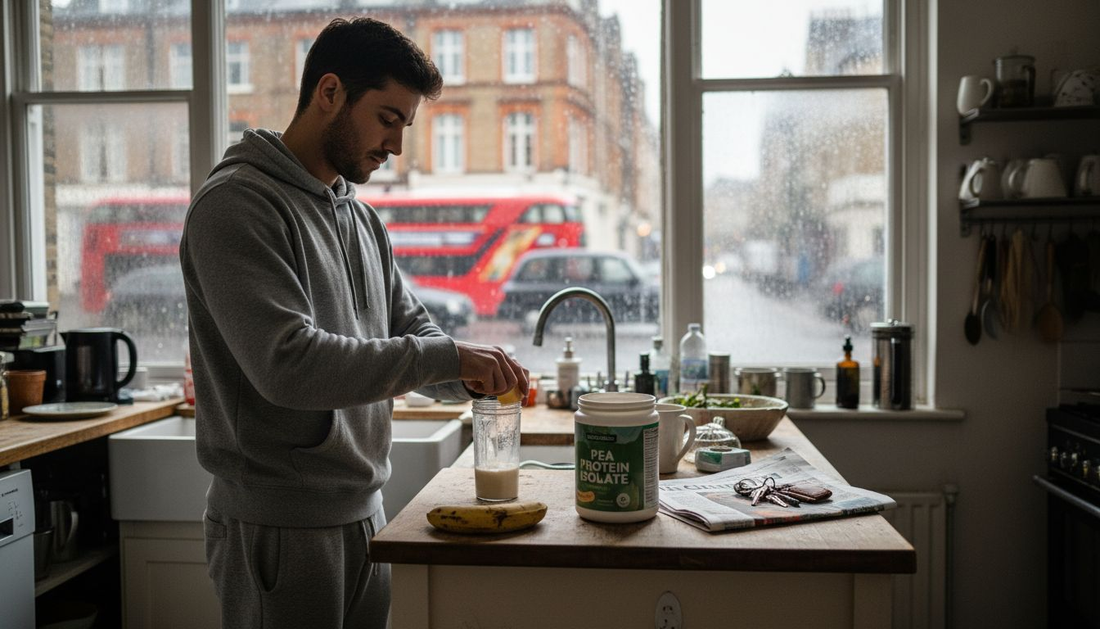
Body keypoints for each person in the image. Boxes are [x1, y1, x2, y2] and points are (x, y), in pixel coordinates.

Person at [179, 17, 528, 629]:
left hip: (367, 513)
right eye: (387, 118)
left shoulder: (361, 221)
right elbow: (288, 364)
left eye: (404, 126)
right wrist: (447, 360)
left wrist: (474, 372)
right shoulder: (237, 204)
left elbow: (415, 334)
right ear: (330, 92)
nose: (396, 146)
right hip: (278, 525)